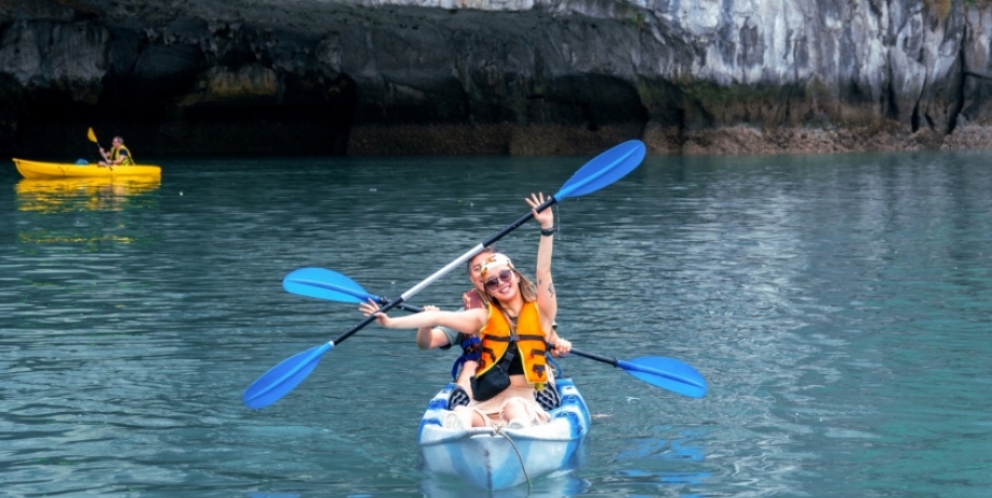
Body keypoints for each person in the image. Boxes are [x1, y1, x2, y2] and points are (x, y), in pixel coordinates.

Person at [361, 192, 571, 429]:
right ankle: (459, 435)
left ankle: (518, 436)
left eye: (504, 275)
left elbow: (543, 271)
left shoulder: (542, 311)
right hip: (487, 400)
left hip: (527, 399)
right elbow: (437, 317)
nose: (501, 283)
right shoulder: (484, 316)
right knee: (462, 411)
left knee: (514, 408)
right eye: (492, 282)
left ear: (516, 275)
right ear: (487, 290)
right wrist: (390, 323)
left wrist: (546, 227)